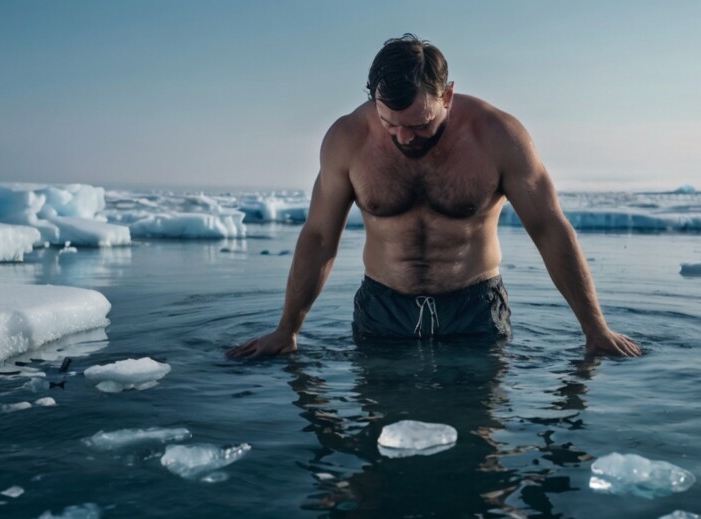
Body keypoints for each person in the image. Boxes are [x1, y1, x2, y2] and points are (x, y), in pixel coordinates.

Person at [227, 34, 641, 359]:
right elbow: (319, 238)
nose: (404, 138)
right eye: (391, 124)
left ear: (447, 96)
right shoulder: (346, 139)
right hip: (382, 311)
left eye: (420, 124)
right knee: (382, 450)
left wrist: (595, 329)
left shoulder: (498, 136)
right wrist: (288, 329)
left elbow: (549, 228)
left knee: (477, 452)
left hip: (474, 311)